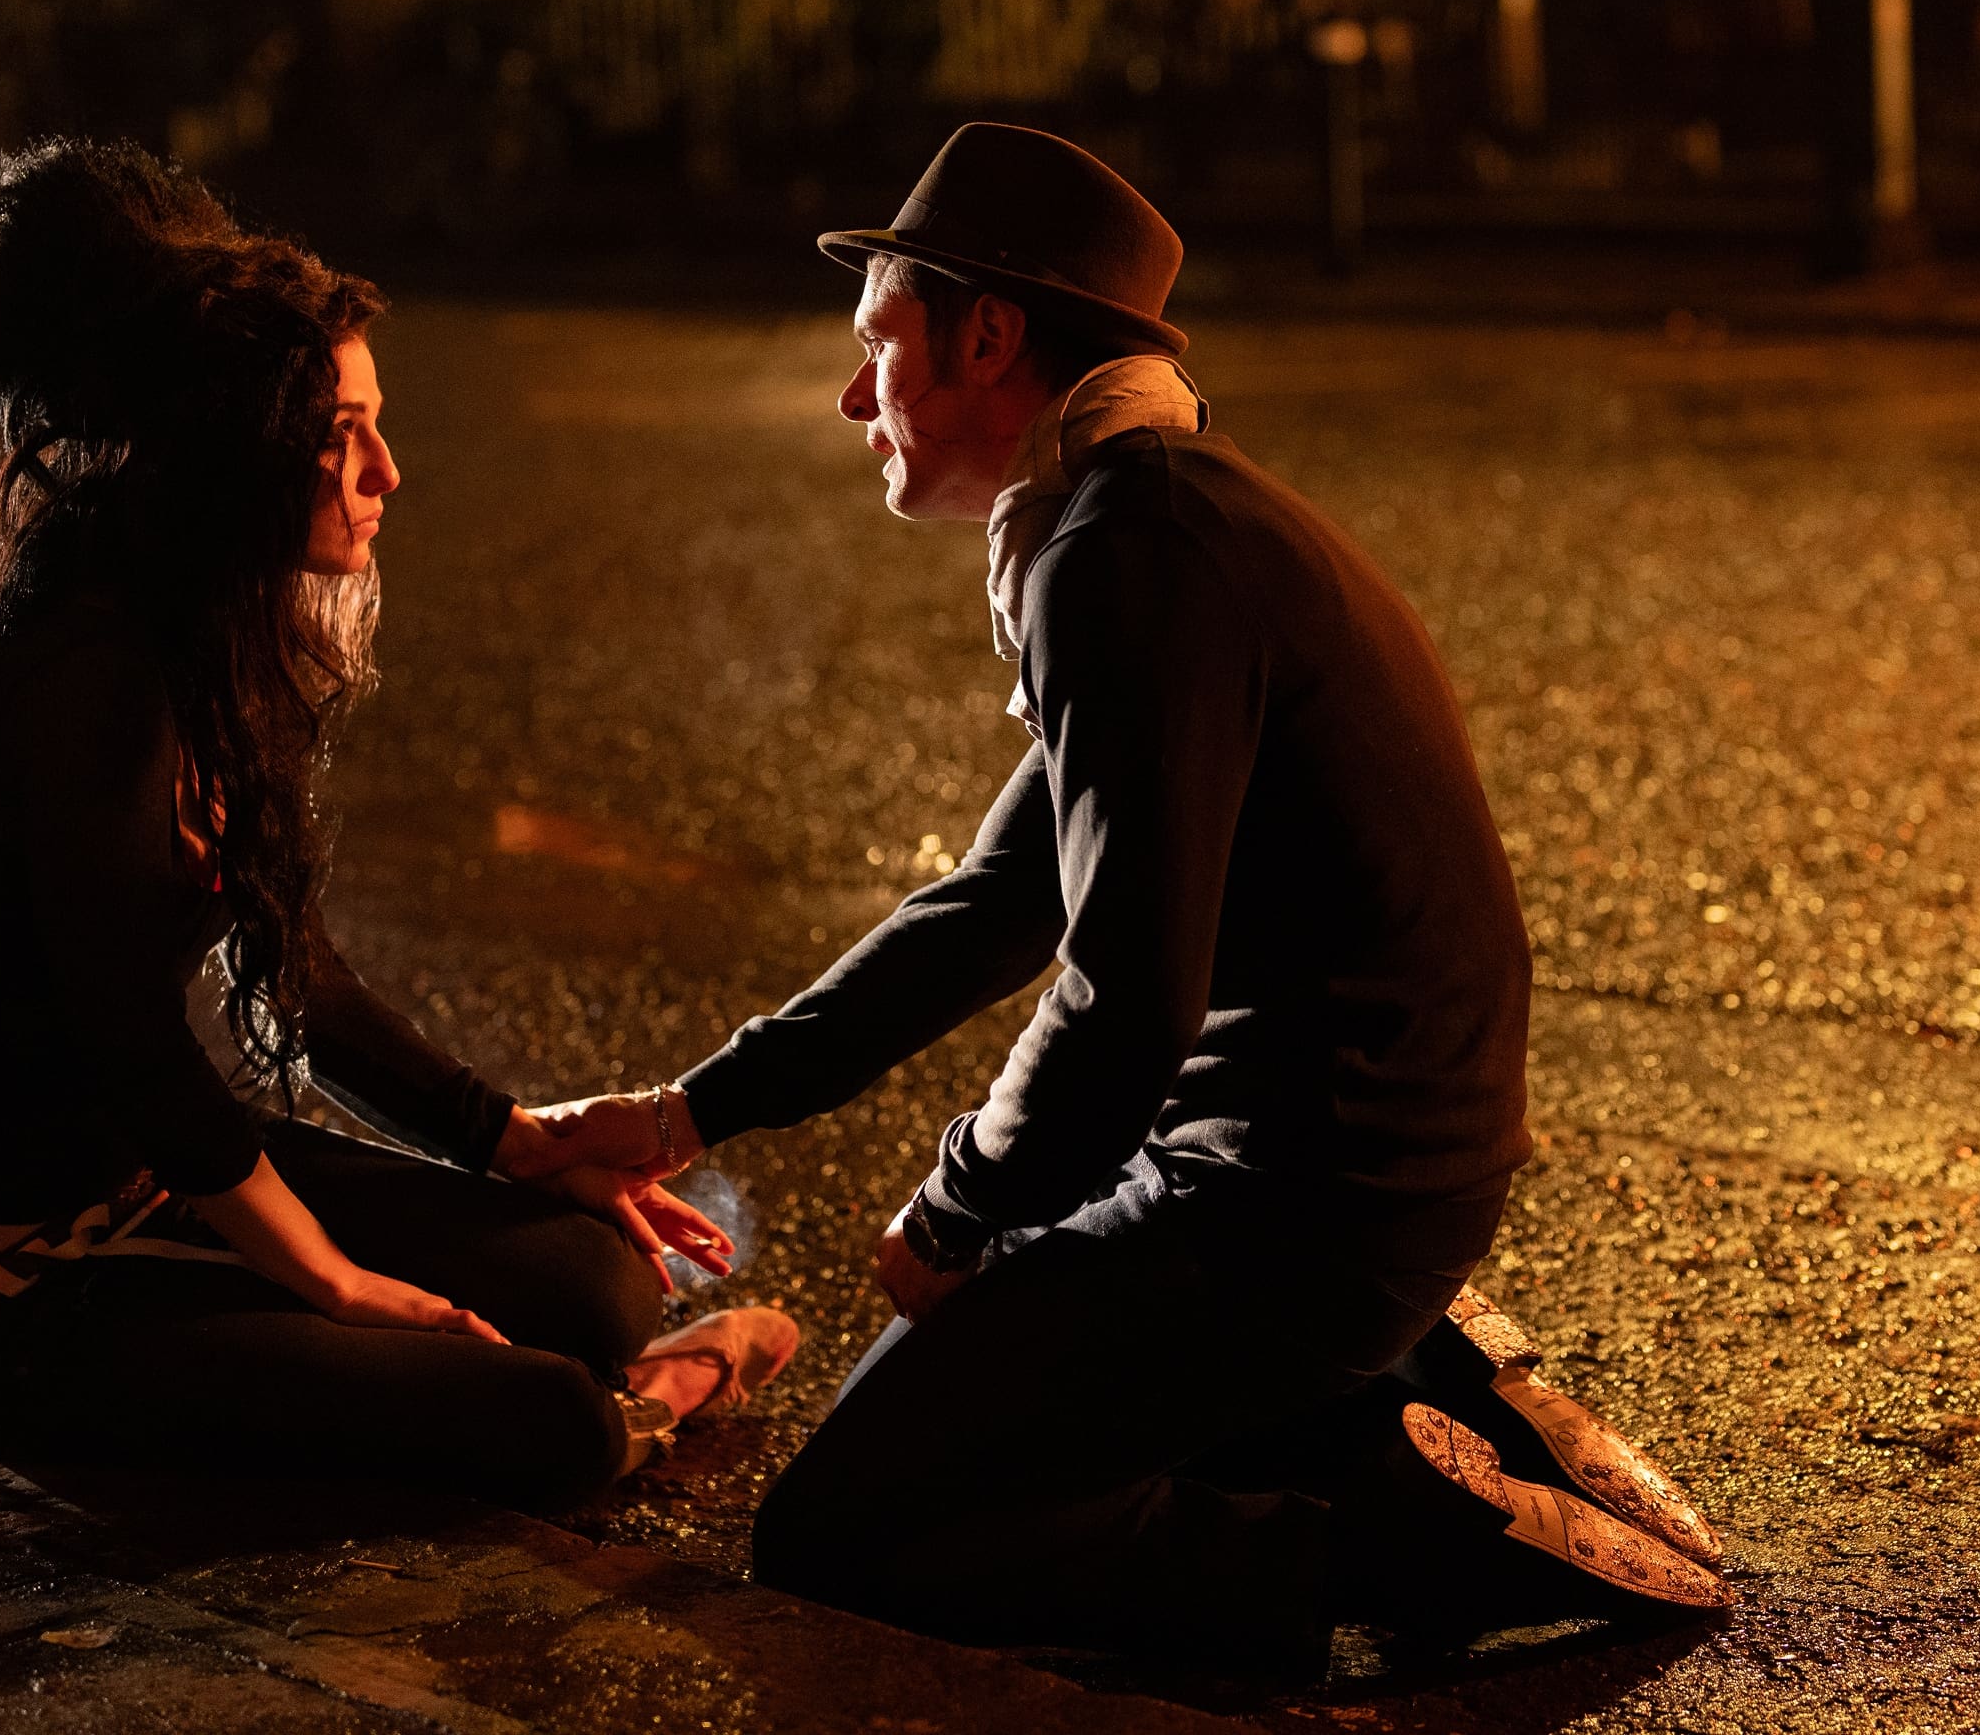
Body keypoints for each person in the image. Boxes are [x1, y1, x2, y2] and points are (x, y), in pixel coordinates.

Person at [586, 124, 1725, 1664]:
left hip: (1301, 1201)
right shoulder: (1149, 514)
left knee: (841, 1539)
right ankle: (1398, 1394)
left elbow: (1126, 1002)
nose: (855, 398)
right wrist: (685, 1115)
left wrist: (957, 1211)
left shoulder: (1131, 554)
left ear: (989, 337)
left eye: (878, 346)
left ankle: (1386, 1533)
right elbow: (997, 905)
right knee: (961, 1435)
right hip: (1354, 1171)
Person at [0, 139, 790, 1503]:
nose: (386, 473)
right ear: (230, 455)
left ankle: (552, 1366)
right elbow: (138, 1054)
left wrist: (522, 1141)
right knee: (551, 1417)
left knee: (595, 1281)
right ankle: (654, 1402)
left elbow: (295, 971)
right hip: (28, 1301)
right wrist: (338, 1285)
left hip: (153, 1191)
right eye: (337, 437)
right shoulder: (81, 679)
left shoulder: (197, 634)